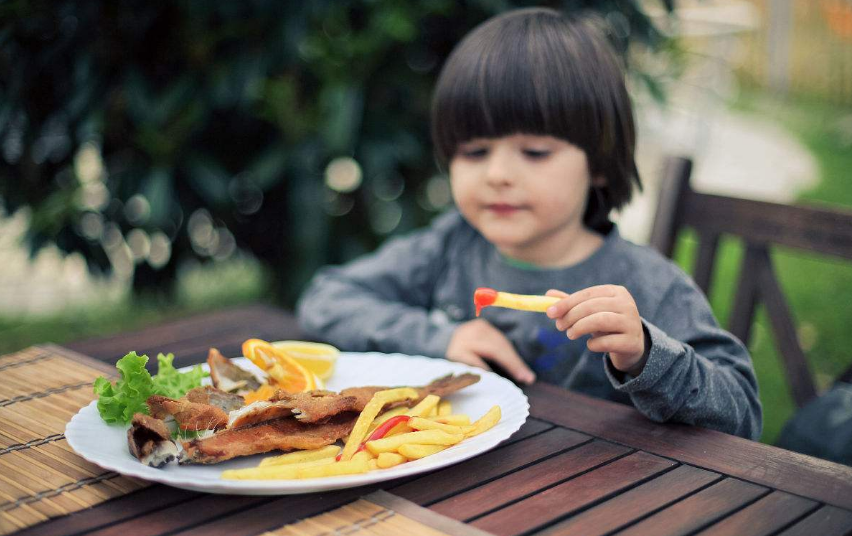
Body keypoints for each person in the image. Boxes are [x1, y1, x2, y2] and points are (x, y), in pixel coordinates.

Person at [297, 7, 762, 439]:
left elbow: (742, 414)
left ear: (598, 164)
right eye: (475, 152)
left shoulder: (648, 284)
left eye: (535, 152)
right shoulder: (451, 246)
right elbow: (326, 298)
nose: (497, 174)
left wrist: (644, 354)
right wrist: (445, 336)